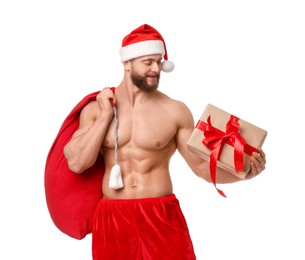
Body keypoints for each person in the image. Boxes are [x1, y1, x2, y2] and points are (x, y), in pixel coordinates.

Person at [63, 24, 266, 260]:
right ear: (126, 63)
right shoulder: (96, 110)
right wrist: (106, 116)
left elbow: (201, 168)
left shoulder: (174, 111)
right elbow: (77, 163)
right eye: (147, 62)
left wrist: (244, 174)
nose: (155, 69)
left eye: (159, 62)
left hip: (160, 215)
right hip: (113, 217)